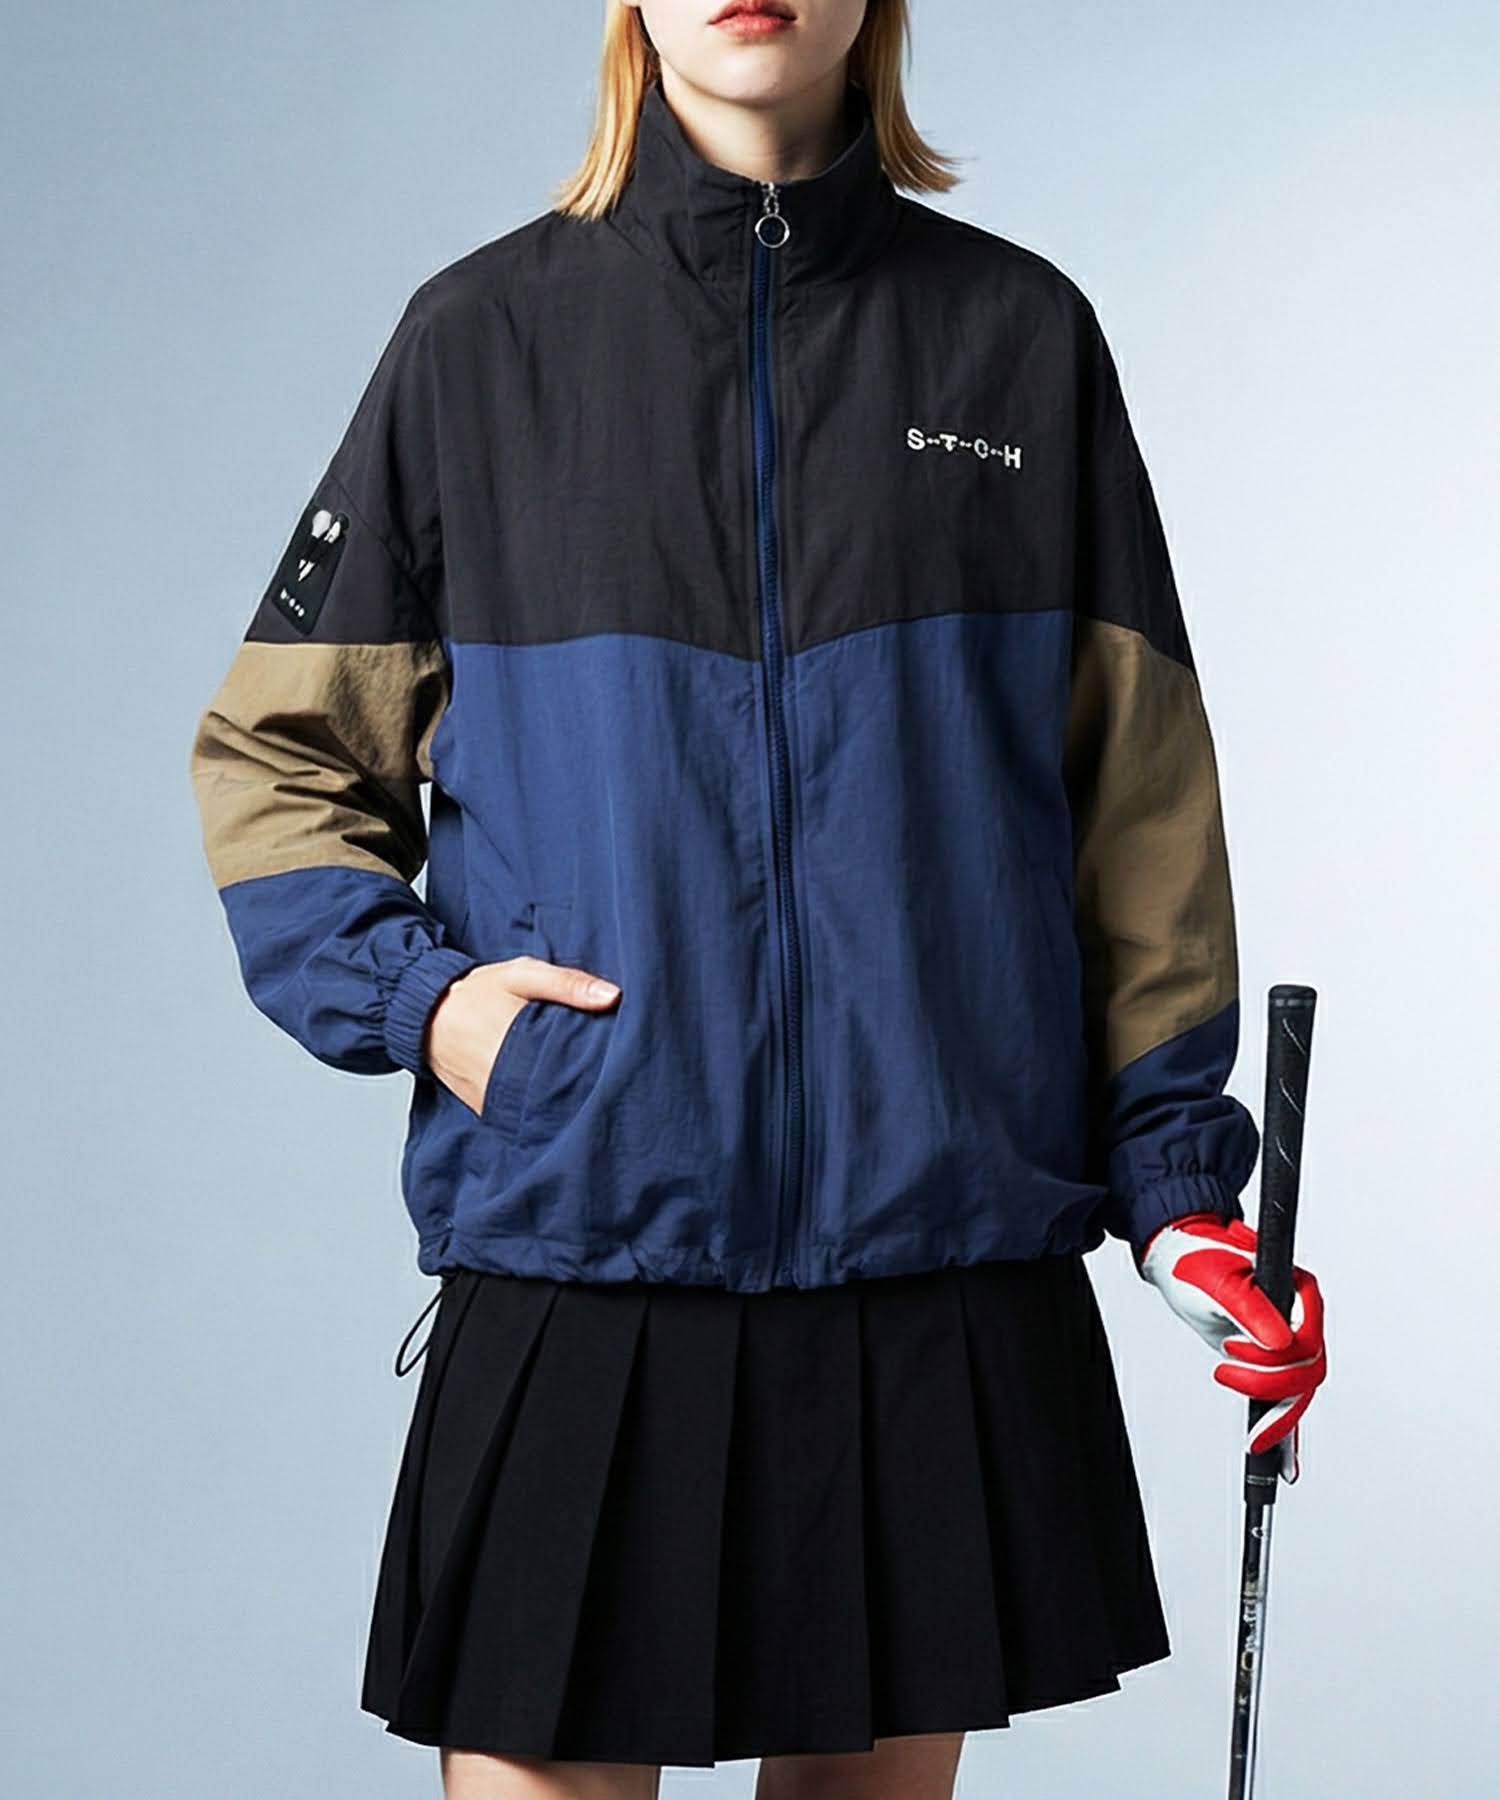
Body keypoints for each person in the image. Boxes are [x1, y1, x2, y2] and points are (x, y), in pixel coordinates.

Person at [187, 2, 1329, 1795]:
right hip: (590, 1231)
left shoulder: (1018, 338)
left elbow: (1141, 812)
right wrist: (435, 1009)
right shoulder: (480, 342)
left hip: (937, 1254)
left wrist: (1180, 1193)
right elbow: (277, 760)